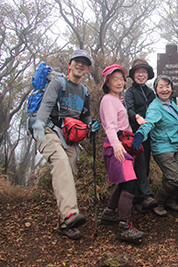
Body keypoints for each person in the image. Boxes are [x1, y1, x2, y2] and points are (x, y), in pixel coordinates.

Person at [32, 49, 100, 240]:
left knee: (70, 174)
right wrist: (38, 123)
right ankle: (70, 213)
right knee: (60, 161)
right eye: (77, 61)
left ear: (87, 69)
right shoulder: (58, 83)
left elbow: (84, 115)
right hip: (47, 131)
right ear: (69, 64)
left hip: (69, 137)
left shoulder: (84, 91)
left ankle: (65, 224)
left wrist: (90, 125)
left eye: (84, 63)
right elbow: (46, 104)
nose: (80, 65)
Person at [99, 64, 145, 243]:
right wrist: (116, 145)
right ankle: (125, 226)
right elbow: (110, 126)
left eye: (121, 79)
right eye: (114, 79)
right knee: (130, 184)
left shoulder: (118, 100)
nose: (119, 82)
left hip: (122, 146)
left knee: (124, 183)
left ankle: (109, 213)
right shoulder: (108, 100)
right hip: (115, 147)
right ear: (107, 81)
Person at [132, 75, 178, 217]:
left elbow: (176, 122)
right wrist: (139, 134)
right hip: (162, 147)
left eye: (167, 86)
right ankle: (158, 202)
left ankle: (170, 201)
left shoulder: (171, 104)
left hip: (175, 145)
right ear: (156, 90)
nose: (165, 89)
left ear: (171, 88)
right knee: (174, 178)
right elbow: (149, 123)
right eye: (161, 86)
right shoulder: (155, 107)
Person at [124, 58, 158, 212]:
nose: (141, 74)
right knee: (140, 163)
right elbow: (129, 109)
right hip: (135, 133)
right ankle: (145, 196)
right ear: (133, 74)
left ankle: (138, 200)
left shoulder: (150, 93)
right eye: (138, 72)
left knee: (145, 164)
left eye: (144, 72)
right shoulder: (130, 92)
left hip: (148, 132)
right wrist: (136, 117)